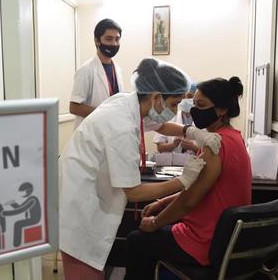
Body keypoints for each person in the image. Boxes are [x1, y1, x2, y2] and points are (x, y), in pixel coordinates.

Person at [59, 58, 223, 280]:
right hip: (82, 209)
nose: (176, 109)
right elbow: (134, 192)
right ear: (156, 98)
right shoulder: (122, 127)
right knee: (84, 270)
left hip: (87, 194)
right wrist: (183, 181)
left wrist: (191, 132)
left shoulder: (126, 102)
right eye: (174, 104)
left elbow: (160, 124)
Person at [124, 77, 251, 280]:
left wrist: (155, 222)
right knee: (148, 235)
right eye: (194, 104)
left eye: (201, 105)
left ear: (221, 109)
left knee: (136, 239)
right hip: (222, 235)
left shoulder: (215, 145)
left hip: (206, 240)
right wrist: (163, 202)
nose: (194, 111)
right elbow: (198, 190)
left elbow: (189, 201)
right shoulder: (234, 137)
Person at [70, 18, 124, 128]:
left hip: (111, 131)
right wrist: (104, 115)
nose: (114, 44)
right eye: (109, 39)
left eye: (117, 39)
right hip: (90, 134)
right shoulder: (86, 70)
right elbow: (74, 107)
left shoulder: (117, 69)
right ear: (97, 40)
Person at [153, 83, 199, 154]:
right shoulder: (169, 117)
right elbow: (160, 147)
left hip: (195, 163)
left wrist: (194, 147)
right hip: (172, 163)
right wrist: (173, 145)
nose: (185, 99)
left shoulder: (204, 121)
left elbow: (210, 151)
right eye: (182, 97)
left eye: (189, 96)